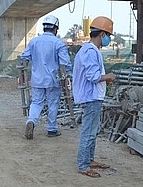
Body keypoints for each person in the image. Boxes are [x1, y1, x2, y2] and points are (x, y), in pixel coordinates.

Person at [72, 16, 116, 178]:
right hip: (91, 97)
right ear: (102, 34)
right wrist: (109, 76)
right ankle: (84, 165)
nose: (109, 39)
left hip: (93, 96)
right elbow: (93, 76)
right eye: (108, 35)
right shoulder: (90, 52)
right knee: (88, 132)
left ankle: (89, 159)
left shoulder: (89, 50)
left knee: (92, 130)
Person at [20, 15, 72, 139]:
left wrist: (22, 75)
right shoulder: (58, 43)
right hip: (53, 80)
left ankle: (31, 121)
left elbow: (24, 59)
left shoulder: (34, 42)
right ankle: (52, 129)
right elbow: (65, 64)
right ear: (55, 29)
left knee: (36, 102)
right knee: (53, 104)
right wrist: (68, 77)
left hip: (37, 80)